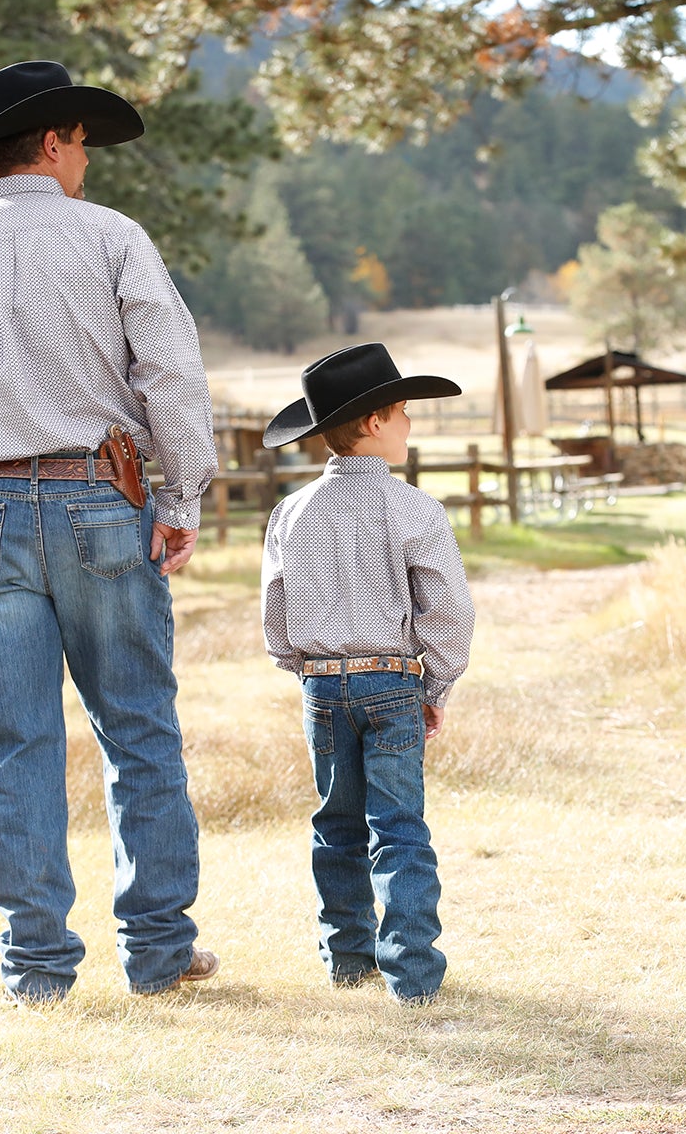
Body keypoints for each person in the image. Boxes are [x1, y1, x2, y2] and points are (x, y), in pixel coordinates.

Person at [0, 60, 218, 1003]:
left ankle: (37, 970)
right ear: (54, 142)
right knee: (138, 730)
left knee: (14, 743)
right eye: (83, 143)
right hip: (103, 503)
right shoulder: (111, 239)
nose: (89, 161)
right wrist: (179, 500)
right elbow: (171, 376)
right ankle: (156, 953)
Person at [259, 343, 476, 1004]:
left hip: (322, 685)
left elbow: (276, 612)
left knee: (337, 824)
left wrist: (307, 671)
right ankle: (410, 973)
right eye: (406, 412)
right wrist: (434, 687)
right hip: (392, 682)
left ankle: (348, 959)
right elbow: (450, 611)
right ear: (376, 420)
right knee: (399, 826)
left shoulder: (290, 513)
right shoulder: (415, 510)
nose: (412, 424)